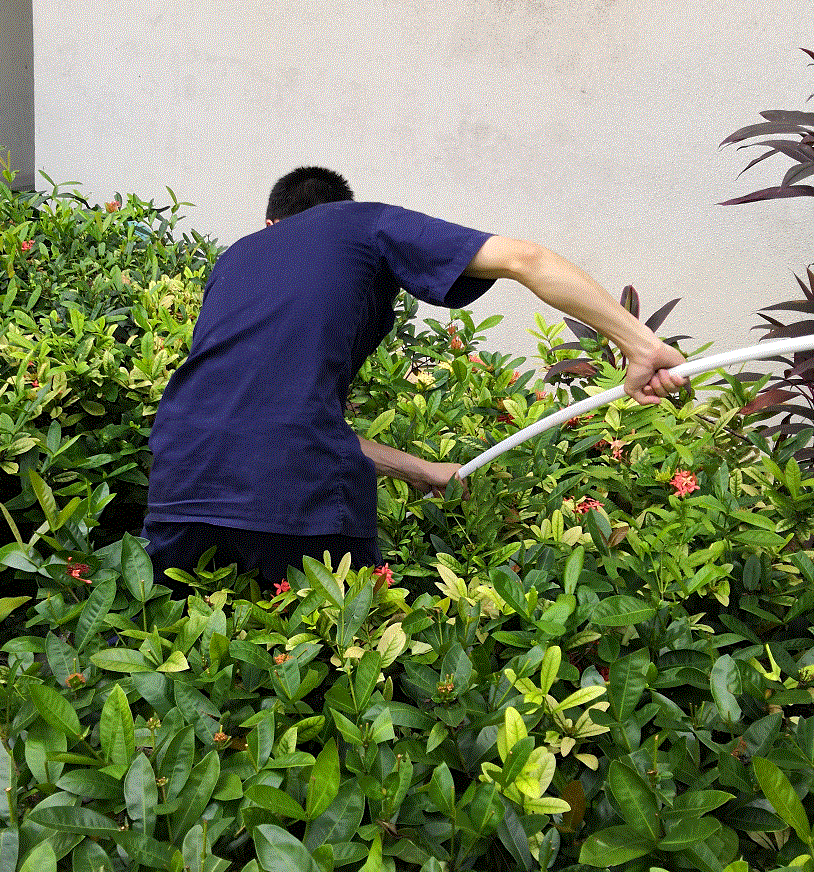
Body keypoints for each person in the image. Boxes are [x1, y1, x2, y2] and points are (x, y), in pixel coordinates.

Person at [141, 166, 685, 591]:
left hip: (179, 482)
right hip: (292, 496)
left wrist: (418, 470)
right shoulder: (361, 223)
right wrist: (640, 345)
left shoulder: (234, 260)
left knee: (201, 660)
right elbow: (526, 259)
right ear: (336, 210)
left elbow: (274, 417)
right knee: (340, 654)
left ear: (270, 226)